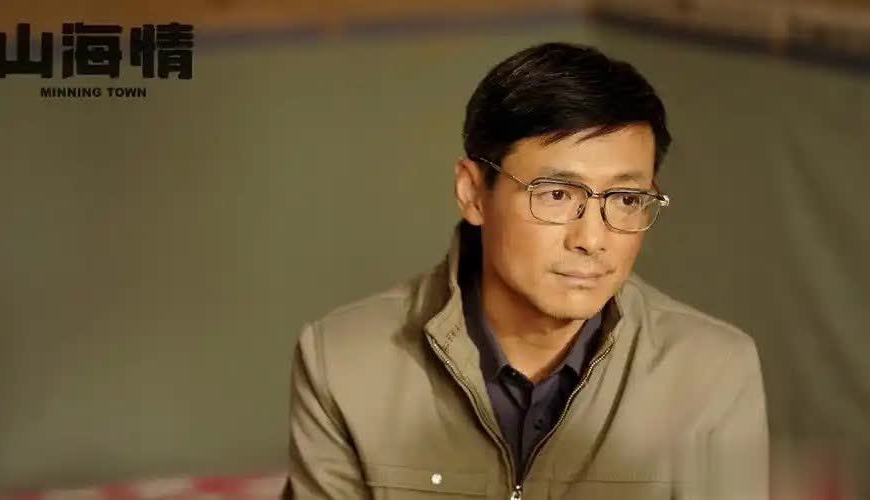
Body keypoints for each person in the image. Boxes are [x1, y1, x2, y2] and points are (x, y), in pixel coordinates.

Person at [284, 42, 769, 499]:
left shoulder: (711, 373)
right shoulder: (343, 361)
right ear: (473, 193)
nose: (592, 239)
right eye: (557, 194)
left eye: (625, 199)